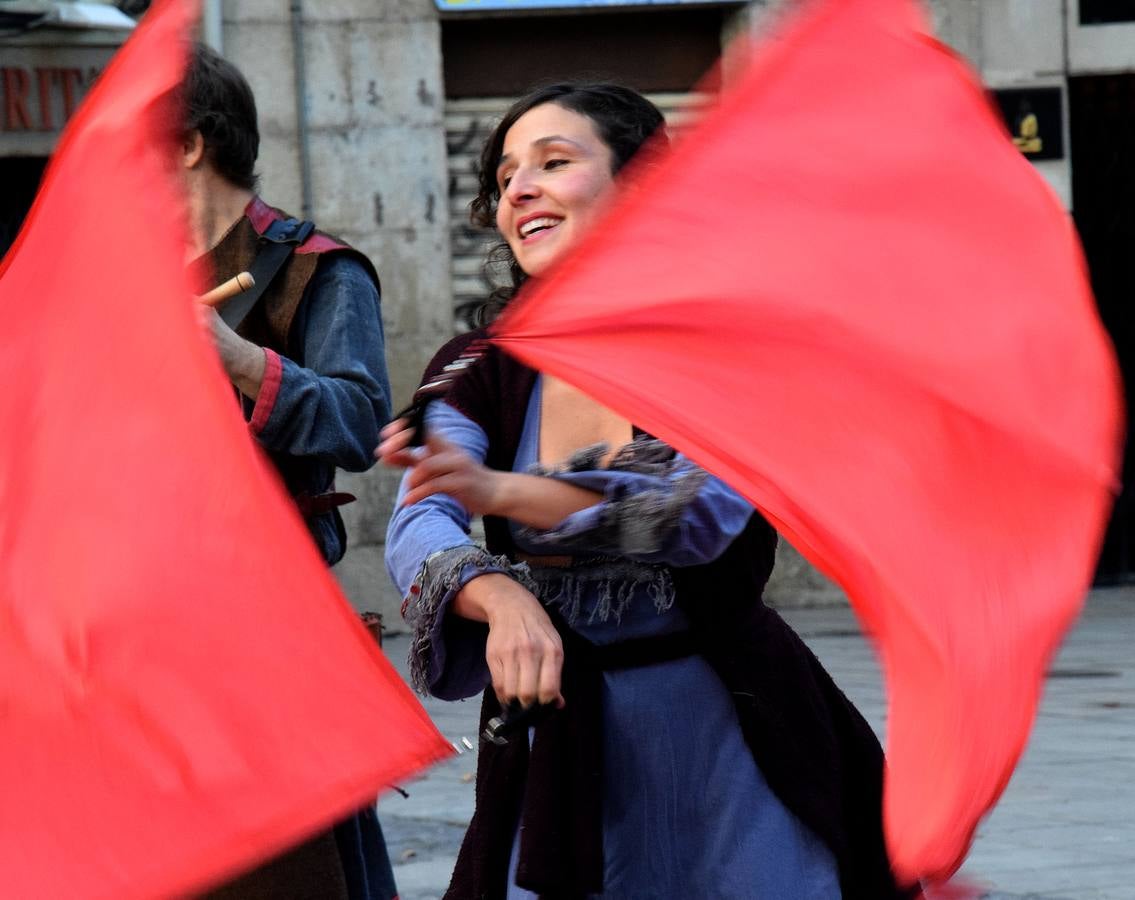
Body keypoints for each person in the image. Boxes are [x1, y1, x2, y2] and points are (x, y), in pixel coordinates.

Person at [381, 83, 914, 899]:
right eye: (504, 176)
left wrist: (506, 490)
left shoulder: (720, 350)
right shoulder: (473, 364)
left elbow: (696, 514)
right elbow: (421, 514)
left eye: (554, 163)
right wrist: (500, 597)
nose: (517, 189)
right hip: (562, 746)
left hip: (731, 734)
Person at [180, 43, 399, 900]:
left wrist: (235, 357)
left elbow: (359, 423)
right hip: (144, 630)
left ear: (190, 143)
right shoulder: (126, 275)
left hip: (267, 622)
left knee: (308, 863)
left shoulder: (317, 269)